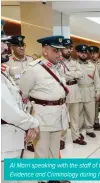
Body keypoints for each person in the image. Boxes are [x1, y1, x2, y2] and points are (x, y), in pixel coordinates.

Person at [19, 36, 70, 183]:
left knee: (54, 149)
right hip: (41, 116)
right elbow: (23, 94)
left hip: (58, 114)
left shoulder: (58, 67)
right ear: (45, 50)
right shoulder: (34, 69)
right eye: (56, 51)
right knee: (41, 150)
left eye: (60, 51)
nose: (59, 54)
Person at [1, 20, 40, 183]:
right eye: (1, 43)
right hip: (5, 141)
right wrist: (32, 123)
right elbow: (8, 111)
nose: (5, 47)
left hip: (10, 137)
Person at [59, 39, 86, 147]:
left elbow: (80, 74)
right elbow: (60, 75)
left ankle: (76, 136)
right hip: (63, 90)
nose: (69, 50)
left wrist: (67, 74)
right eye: (66, 48)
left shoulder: (75, 62)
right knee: (63, 117)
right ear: (61, 49)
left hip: (74, 89)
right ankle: (62, 139)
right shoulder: (57, 62)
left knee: (75, 117)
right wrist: (72, 74)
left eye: (70, 48)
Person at [77, 44, 100, 139]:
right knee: (78, 113)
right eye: (81, 52)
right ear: (78, 53)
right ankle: (78, 131)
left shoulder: (92, 66)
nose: (83, 54)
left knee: (90, 112)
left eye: (85, 53)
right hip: (78, 91)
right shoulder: (74, 65)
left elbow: (97, 80)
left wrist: (98, 91)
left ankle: (89, 130)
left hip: (90, 91)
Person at [88, 45, 100, 129]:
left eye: (94, 53)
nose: (92, 55)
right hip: (93, 87)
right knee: (95, 105)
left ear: (97, 54)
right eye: (91, 53)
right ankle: (95, 120)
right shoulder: (88, 63)